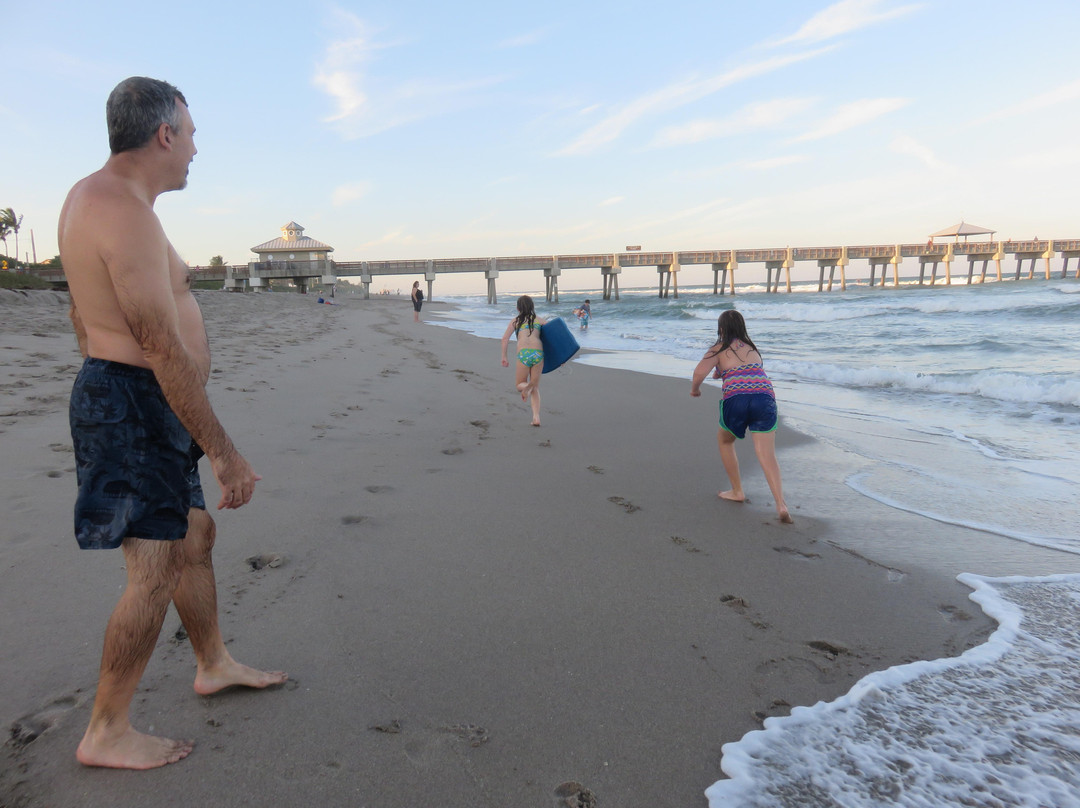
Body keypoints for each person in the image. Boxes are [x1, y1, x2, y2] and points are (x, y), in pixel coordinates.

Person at [58, 77, 287, 771]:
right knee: (153, 567)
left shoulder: (109, 201)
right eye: (189, 133)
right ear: (163, 134)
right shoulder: (117, 208)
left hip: (139, 400)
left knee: (196, 533)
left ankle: (212, 661)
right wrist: (223, 450)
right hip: (135, 400)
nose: (194, 147)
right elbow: (158, 343)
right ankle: (107, 729)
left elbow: (81, 314)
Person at [690, 309, 792, 524]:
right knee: (766, 454)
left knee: (725, 441)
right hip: (764, 398)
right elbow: (745, 370)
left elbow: (699, 372)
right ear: (742, 328)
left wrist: (695, 390)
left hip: (737, 399)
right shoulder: (752, 349)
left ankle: (737, 491)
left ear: (721, 329)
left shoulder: (718, 348)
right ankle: (781, 504)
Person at [500, 295, 547, 426]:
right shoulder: (539, 320)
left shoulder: (515, 321)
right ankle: (536, 417)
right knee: (535, 386)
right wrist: (561, 357)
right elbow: (554, 337)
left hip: (524, 354)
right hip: (538, 353)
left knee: (520, 384)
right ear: (532, 307)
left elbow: (504, 339)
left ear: (517, 308)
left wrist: (504, 357)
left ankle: (527, 387)